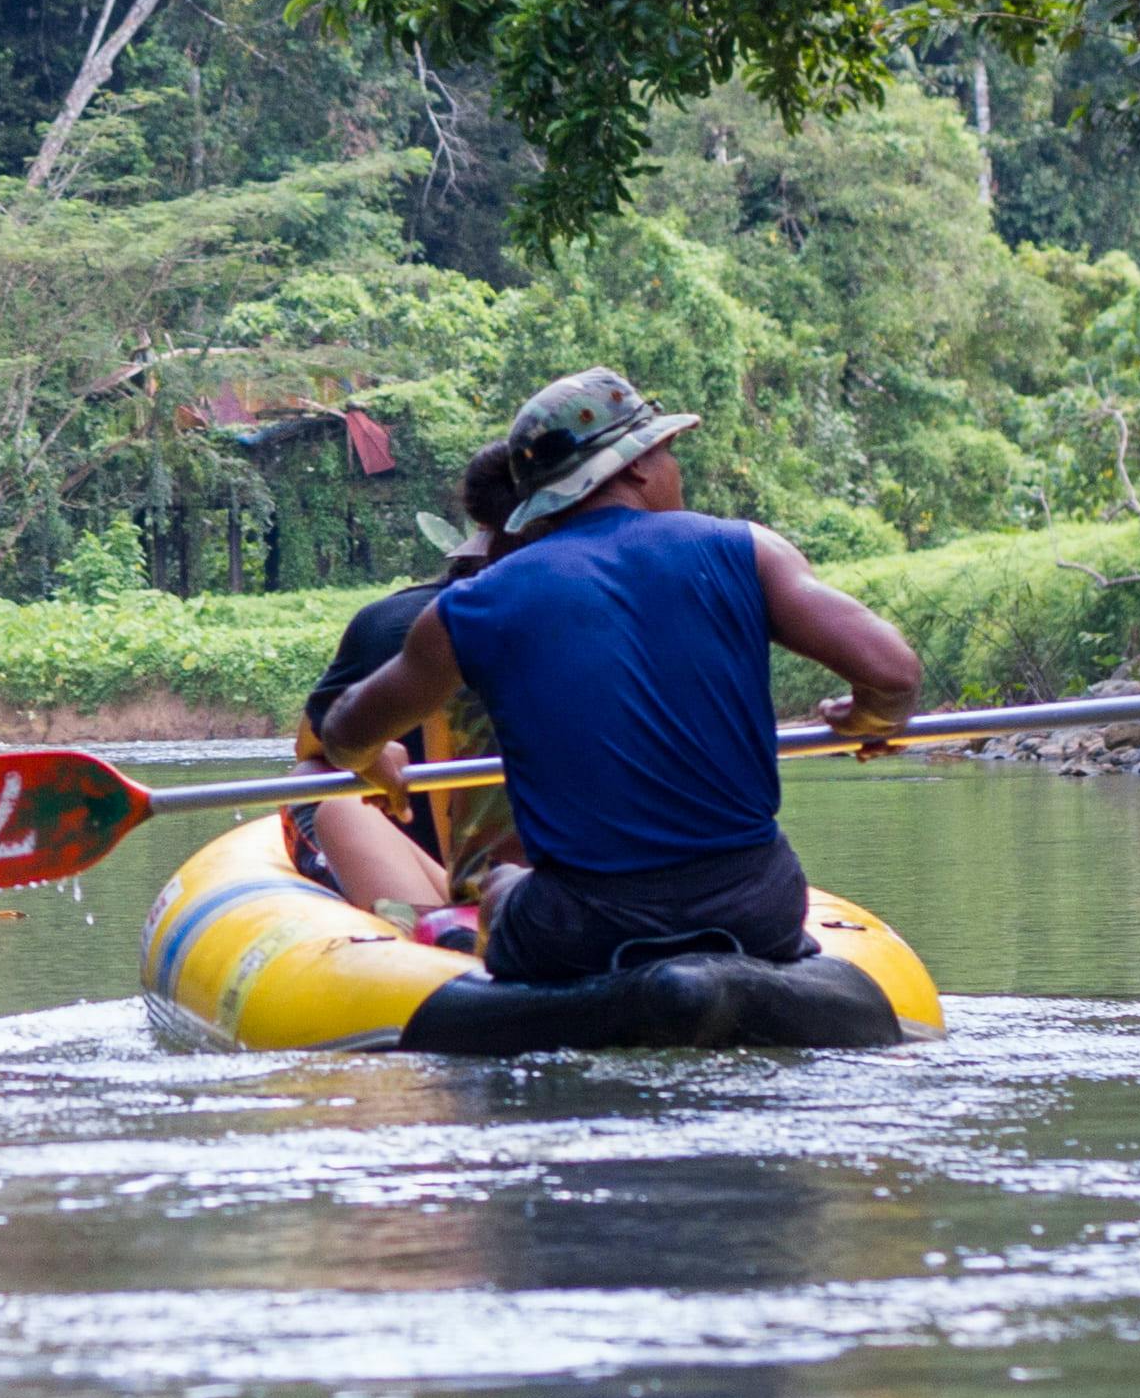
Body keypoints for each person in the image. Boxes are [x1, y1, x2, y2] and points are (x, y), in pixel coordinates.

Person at [309, 366, 922, 994]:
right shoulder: (749, 550)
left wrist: (372, 758)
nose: (674, 469)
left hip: (581, 928)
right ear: (634, 466)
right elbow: (893, 673)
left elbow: (347, 726)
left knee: (501, 887)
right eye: (668, 452)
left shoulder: (475, 605)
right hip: (758, 911)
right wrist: (869, 720)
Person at [279, 445, 526, 929]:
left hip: (498, 873)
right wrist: (370, 756)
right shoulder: (416, 628)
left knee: (317, 782)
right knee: (328, 798)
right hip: (436, 856)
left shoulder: (400, 621)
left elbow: (310, 748)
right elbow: (317, 746)